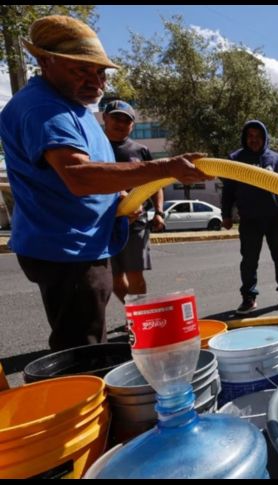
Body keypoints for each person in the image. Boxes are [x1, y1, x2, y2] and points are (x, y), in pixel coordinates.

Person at [0, 15, 210, 351]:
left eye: (100, 72)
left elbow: (84, 175)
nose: (95, 82)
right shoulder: (44, 108)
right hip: (67, 250)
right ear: (45, 61)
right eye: (80, 70)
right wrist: (165, 167)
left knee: (87, 335)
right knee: (81, 349)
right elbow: (79, 176)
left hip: (79, 243)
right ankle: (79, 399)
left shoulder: (70, 105)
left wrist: (118, 199)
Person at [222, 120, 278, 314]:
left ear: (264, 137)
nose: (254, 140)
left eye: (258, 136)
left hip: (276, 219)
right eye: (250, 136)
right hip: (249, 220)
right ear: (245, 137)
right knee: (249, 261)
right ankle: (248, 298)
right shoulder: (235, 159)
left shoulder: (276, 160)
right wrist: (226, 214)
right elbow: (228, 190)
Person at [103, 100, 166, 302]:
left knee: (135, 277)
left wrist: (159, 212)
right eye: (116, 117)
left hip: (135, 223)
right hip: (105, 223)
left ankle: (139, 320)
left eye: (126, 120)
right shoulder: (93, 146)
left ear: (132, 125)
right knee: (114, 280)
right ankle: (133, 315)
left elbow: (155, 184)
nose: (121, 123)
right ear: (105, 118)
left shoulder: (140, 150)